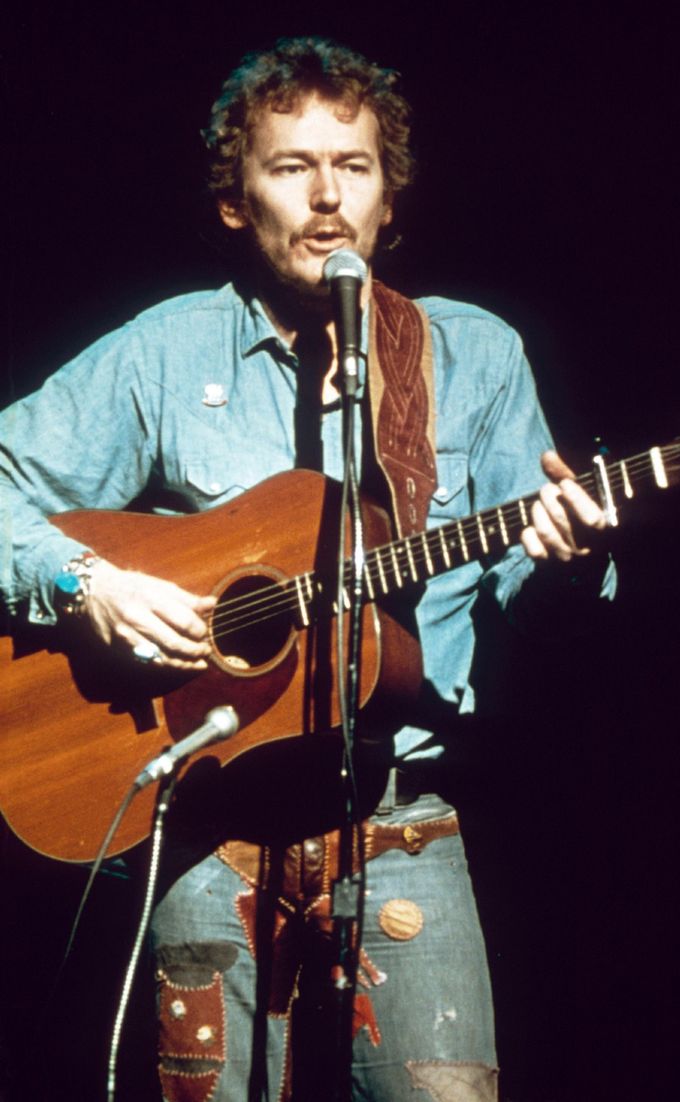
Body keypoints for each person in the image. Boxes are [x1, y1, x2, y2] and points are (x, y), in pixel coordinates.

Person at [0, 36, 615, 1102]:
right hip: (207, 823)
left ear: (389, 195)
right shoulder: (164, 350)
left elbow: (528, 618)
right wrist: (86, 580)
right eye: (291, 167)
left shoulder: (472, 357)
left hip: (402, 812)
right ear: (238, 199)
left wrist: (569, 558)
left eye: (355, 166)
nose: (327, 197)